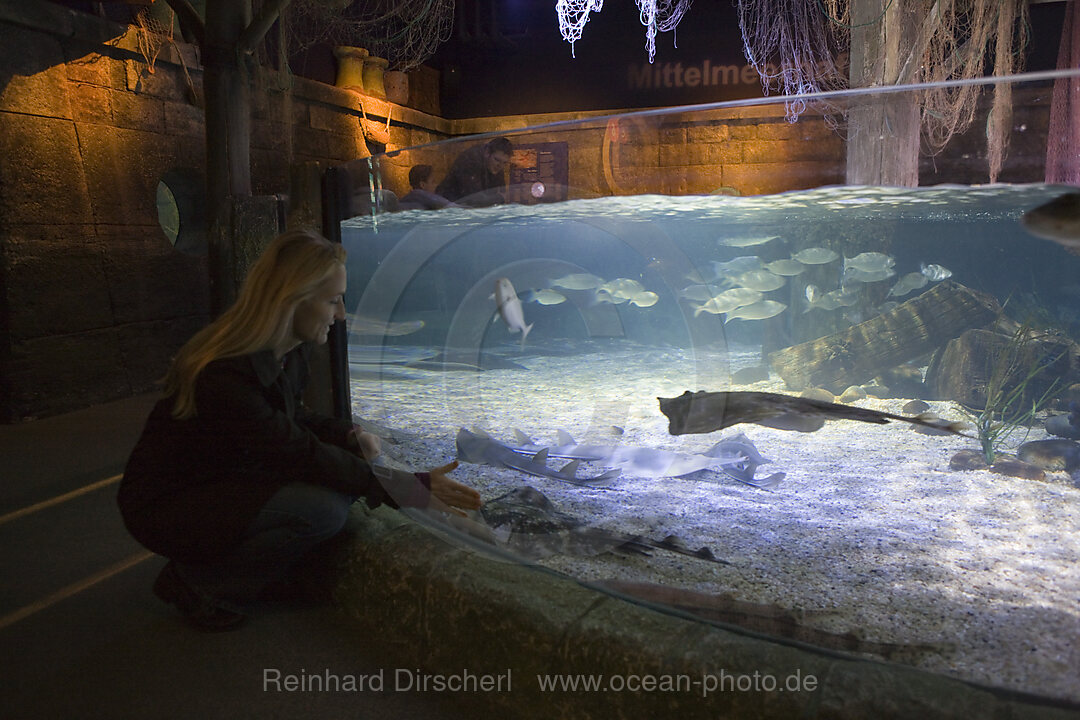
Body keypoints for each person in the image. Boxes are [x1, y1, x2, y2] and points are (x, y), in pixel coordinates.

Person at [117, 228, 482, 631]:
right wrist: (406, 487)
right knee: (320, 510)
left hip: (221, 481)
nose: (341, 313)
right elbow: (293, 450)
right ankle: (198, 584)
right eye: (332, 300)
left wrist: (347, 434)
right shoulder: (225, 376)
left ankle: (234, 565)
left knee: (336, 490)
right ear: (292, 299)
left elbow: (294, 418)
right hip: (166, 506)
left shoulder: (287, 352)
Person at [435, 136, 513, 207]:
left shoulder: (496, 166)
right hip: (447, 206)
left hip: (466, 208)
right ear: (487, 153)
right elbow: (474, 198)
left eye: (505, 163)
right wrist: (499, 198)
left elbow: (501, 193)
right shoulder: (470, 160)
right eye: (497, 160)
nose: (500, 166)